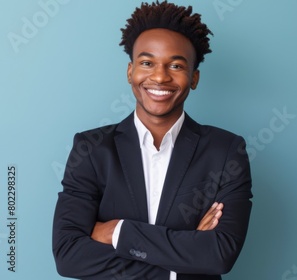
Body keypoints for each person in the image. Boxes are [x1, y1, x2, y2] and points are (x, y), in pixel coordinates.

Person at [52, 1, 253, 279]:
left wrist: (119, 232)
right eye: (147, 63)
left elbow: (218, 256)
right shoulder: (90, 148)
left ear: (194, 78)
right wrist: (183, 258)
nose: (160, 76)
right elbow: (69, 257)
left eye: (176, 65)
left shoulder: (226, 152)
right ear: (130, 72)